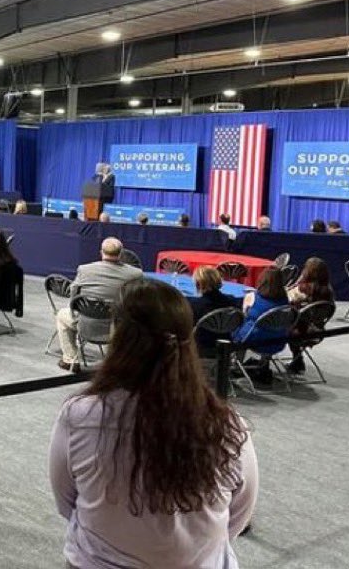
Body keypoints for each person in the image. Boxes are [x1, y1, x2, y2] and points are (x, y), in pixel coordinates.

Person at [49, 278, 257, 569]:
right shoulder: (228, 425)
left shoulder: (79, 416)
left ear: (117, 334)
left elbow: (66, 501)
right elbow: (238, 514)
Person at [54, 237, 143, 371]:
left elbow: (73, 292)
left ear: (101, 252)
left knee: (61, 315)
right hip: (119, 327)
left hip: (86, 324)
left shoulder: (85, 270)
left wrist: (75, 311)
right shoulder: (135, 274)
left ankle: (70, 359)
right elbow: (138, 301)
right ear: (121, 254)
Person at [234, 267, 290, 384]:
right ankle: (263, 364)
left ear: (262, 280)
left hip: (254, 340)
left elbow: (244, 316)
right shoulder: (285, 301)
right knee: (269, 328)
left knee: (240, 327)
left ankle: (237, 365)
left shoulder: (252, 297)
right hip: (278, 341)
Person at [285, 257, 334, 374]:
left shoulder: (305, 288)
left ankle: (264, 363)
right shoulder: (328, 290)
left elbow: (290, 300)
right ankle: (297, 361)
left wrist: (298, 282)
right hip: (317, 330)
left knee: (276, 323)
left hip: (301, 330)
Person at [191, 266, 240, 356]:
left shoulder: (195, 305)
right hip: (226, 344)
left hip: (200, 345)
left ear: (198, 284)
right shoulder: (232, 302)